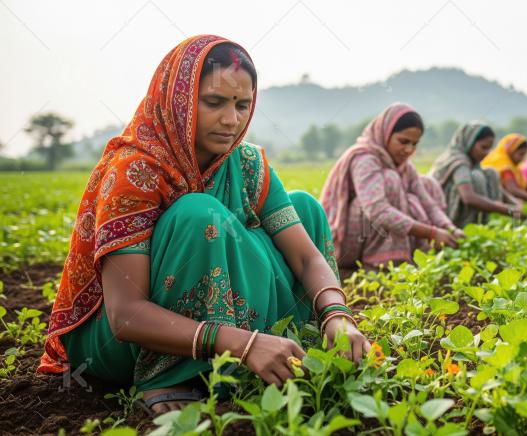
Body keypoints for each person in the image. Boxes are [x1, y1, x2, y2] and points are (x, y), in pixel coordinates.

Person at [37, 35, 369, 416]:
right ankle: (172, 375)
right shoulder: (137, 170)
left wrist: (337, 316)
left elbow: (308, 258)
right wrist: (243, 345)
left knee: (305, 209)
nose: (232, 120)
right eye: (214, 102)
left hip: (223, 330)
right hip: (120, 341)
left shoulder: (245, 163)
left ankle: (285, 347)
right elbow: (125, 314)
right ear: (176, 100)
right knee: (199, 215)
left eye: (242, 105)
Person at [320, 103, 462, 277]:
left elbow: (427, 203)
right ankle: (377, 264)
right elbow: (377, 209)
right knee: (391, 181)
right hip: (346, 245)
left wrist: (449, 229)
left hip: (367, 235)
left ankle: (403, 260)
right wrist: (431, 232)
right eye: (403, 141)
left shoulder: (404, 167)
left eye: (414, 144)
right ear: (385, 133)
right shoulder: (365, 160)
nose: (409, 149)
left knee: (427, 184)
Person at [428, 122, 523, 227]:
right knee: (477, 177)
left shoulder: (474, 163)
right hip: (441, 211)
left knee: (490, 173)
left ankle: (485, 225)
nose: (487, 153)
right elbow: (468, 198)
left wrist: (515, 204)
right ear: (469, 142)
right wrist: (507, 210)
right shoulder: (459, 162)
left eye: (489, 148)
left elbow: (501, 191)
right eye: (483, 147)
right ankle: (464, 227)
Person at [480, 133, 527, 202]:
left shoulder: (514, 166)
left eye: (524, 154)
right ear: (510, 151)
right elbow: (512, 190)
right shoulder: (502, 164)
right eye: (521, 154)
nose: (523, 158)